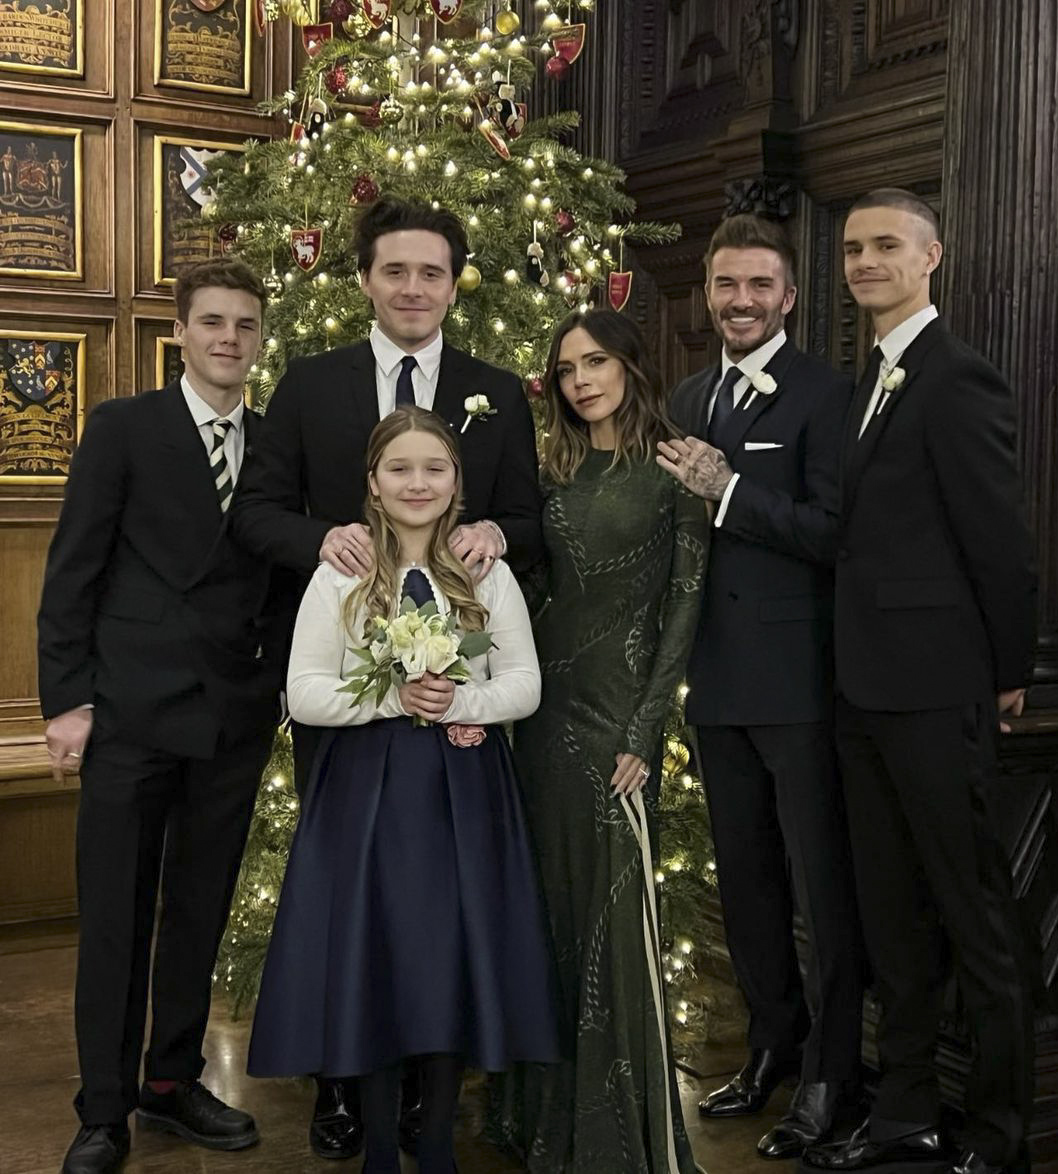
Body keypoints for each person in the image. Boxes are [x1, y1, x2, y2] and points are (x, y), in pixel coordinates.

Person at [230, 195, 543, 1159]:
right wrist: (326, 544)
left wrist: (493, 537)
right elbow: (257, 511)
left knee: (438, 907)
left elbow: (527, 519)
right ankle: (343, 1087)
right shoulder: (311, 382)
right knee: (352, 896)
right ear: (365, 278)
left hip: (457, 693)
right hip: (350, 689)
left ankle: (424, 1098)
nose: (414, 287)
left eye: (431, 272)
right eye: (395, 270)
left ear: (455, 284)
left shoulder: (497, 389)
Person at [246, 406, 559, 1174]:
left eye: (434, 468)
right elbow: (304, 692)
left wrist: (461, 702)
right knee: (378, 958)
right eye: (400, 469)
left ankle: (438, 1141)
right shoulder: (341, 574)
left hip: (464, 791)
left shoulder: (485, 571)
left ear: (456, 481)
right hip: (368, 793)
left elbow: (523, 682)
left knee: (449, 957)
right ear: (374, 483)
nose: (418, 483)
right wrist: (391, 696)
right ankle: (380, 1149)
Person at [803, 189, 1037, 1174]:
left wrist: (1009, 672)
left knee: (973, 919)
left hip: (940, 688)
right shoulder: (869, 376)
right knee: (890, 917)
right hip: (863, 690)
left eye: (886, 245)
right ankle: (905, 1114)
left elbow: (1001, 540)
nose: (865, 261)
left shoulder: (956, 376)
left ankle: (998, 1134)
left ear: (931, 256)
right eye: (854, 248)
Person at [37, 259, 288, 1174]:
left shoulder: (276, 444)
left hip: (232, 717)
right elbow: (74, 569)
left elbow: (286, 576)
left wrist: (275, 689)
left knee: (198, 910)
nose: (229, 338)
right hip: (127, 715)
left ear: (260, 338)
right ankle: (103, 1109)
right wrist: (67, 701)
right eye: (212, 321)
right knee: (115, 916)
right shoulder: (124, 427)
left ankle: (172, 1082)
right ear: (179, 332)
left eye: (245, 324)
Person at [658, 214, 863, 1160]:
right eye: (726, 285)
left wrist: (730, 490)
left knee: (822, 889)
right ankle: (772, 1045)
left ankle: (832, 1073)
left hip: (802, 686)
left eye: (759, 285)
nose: (740, 301)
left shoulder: (829, 394)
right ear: (708, 292)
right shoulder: (689, 395)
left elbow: (836, 534)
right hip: (715, 683)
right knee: (744, 884)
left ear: (788, 296)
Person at [490, 309, 707, 1172]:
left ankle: (618, 1143)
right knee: (547, 911)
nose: (580, 381)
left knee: (615, 925)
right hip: (542, 717)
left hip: (618, 719)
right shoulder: (553, 470)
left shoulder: (674, 469)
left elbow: (683, 608)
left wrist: (647, 729)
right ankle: (543, 1123)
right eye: (566, 369)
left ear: (629, 366)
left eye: (595, 363)